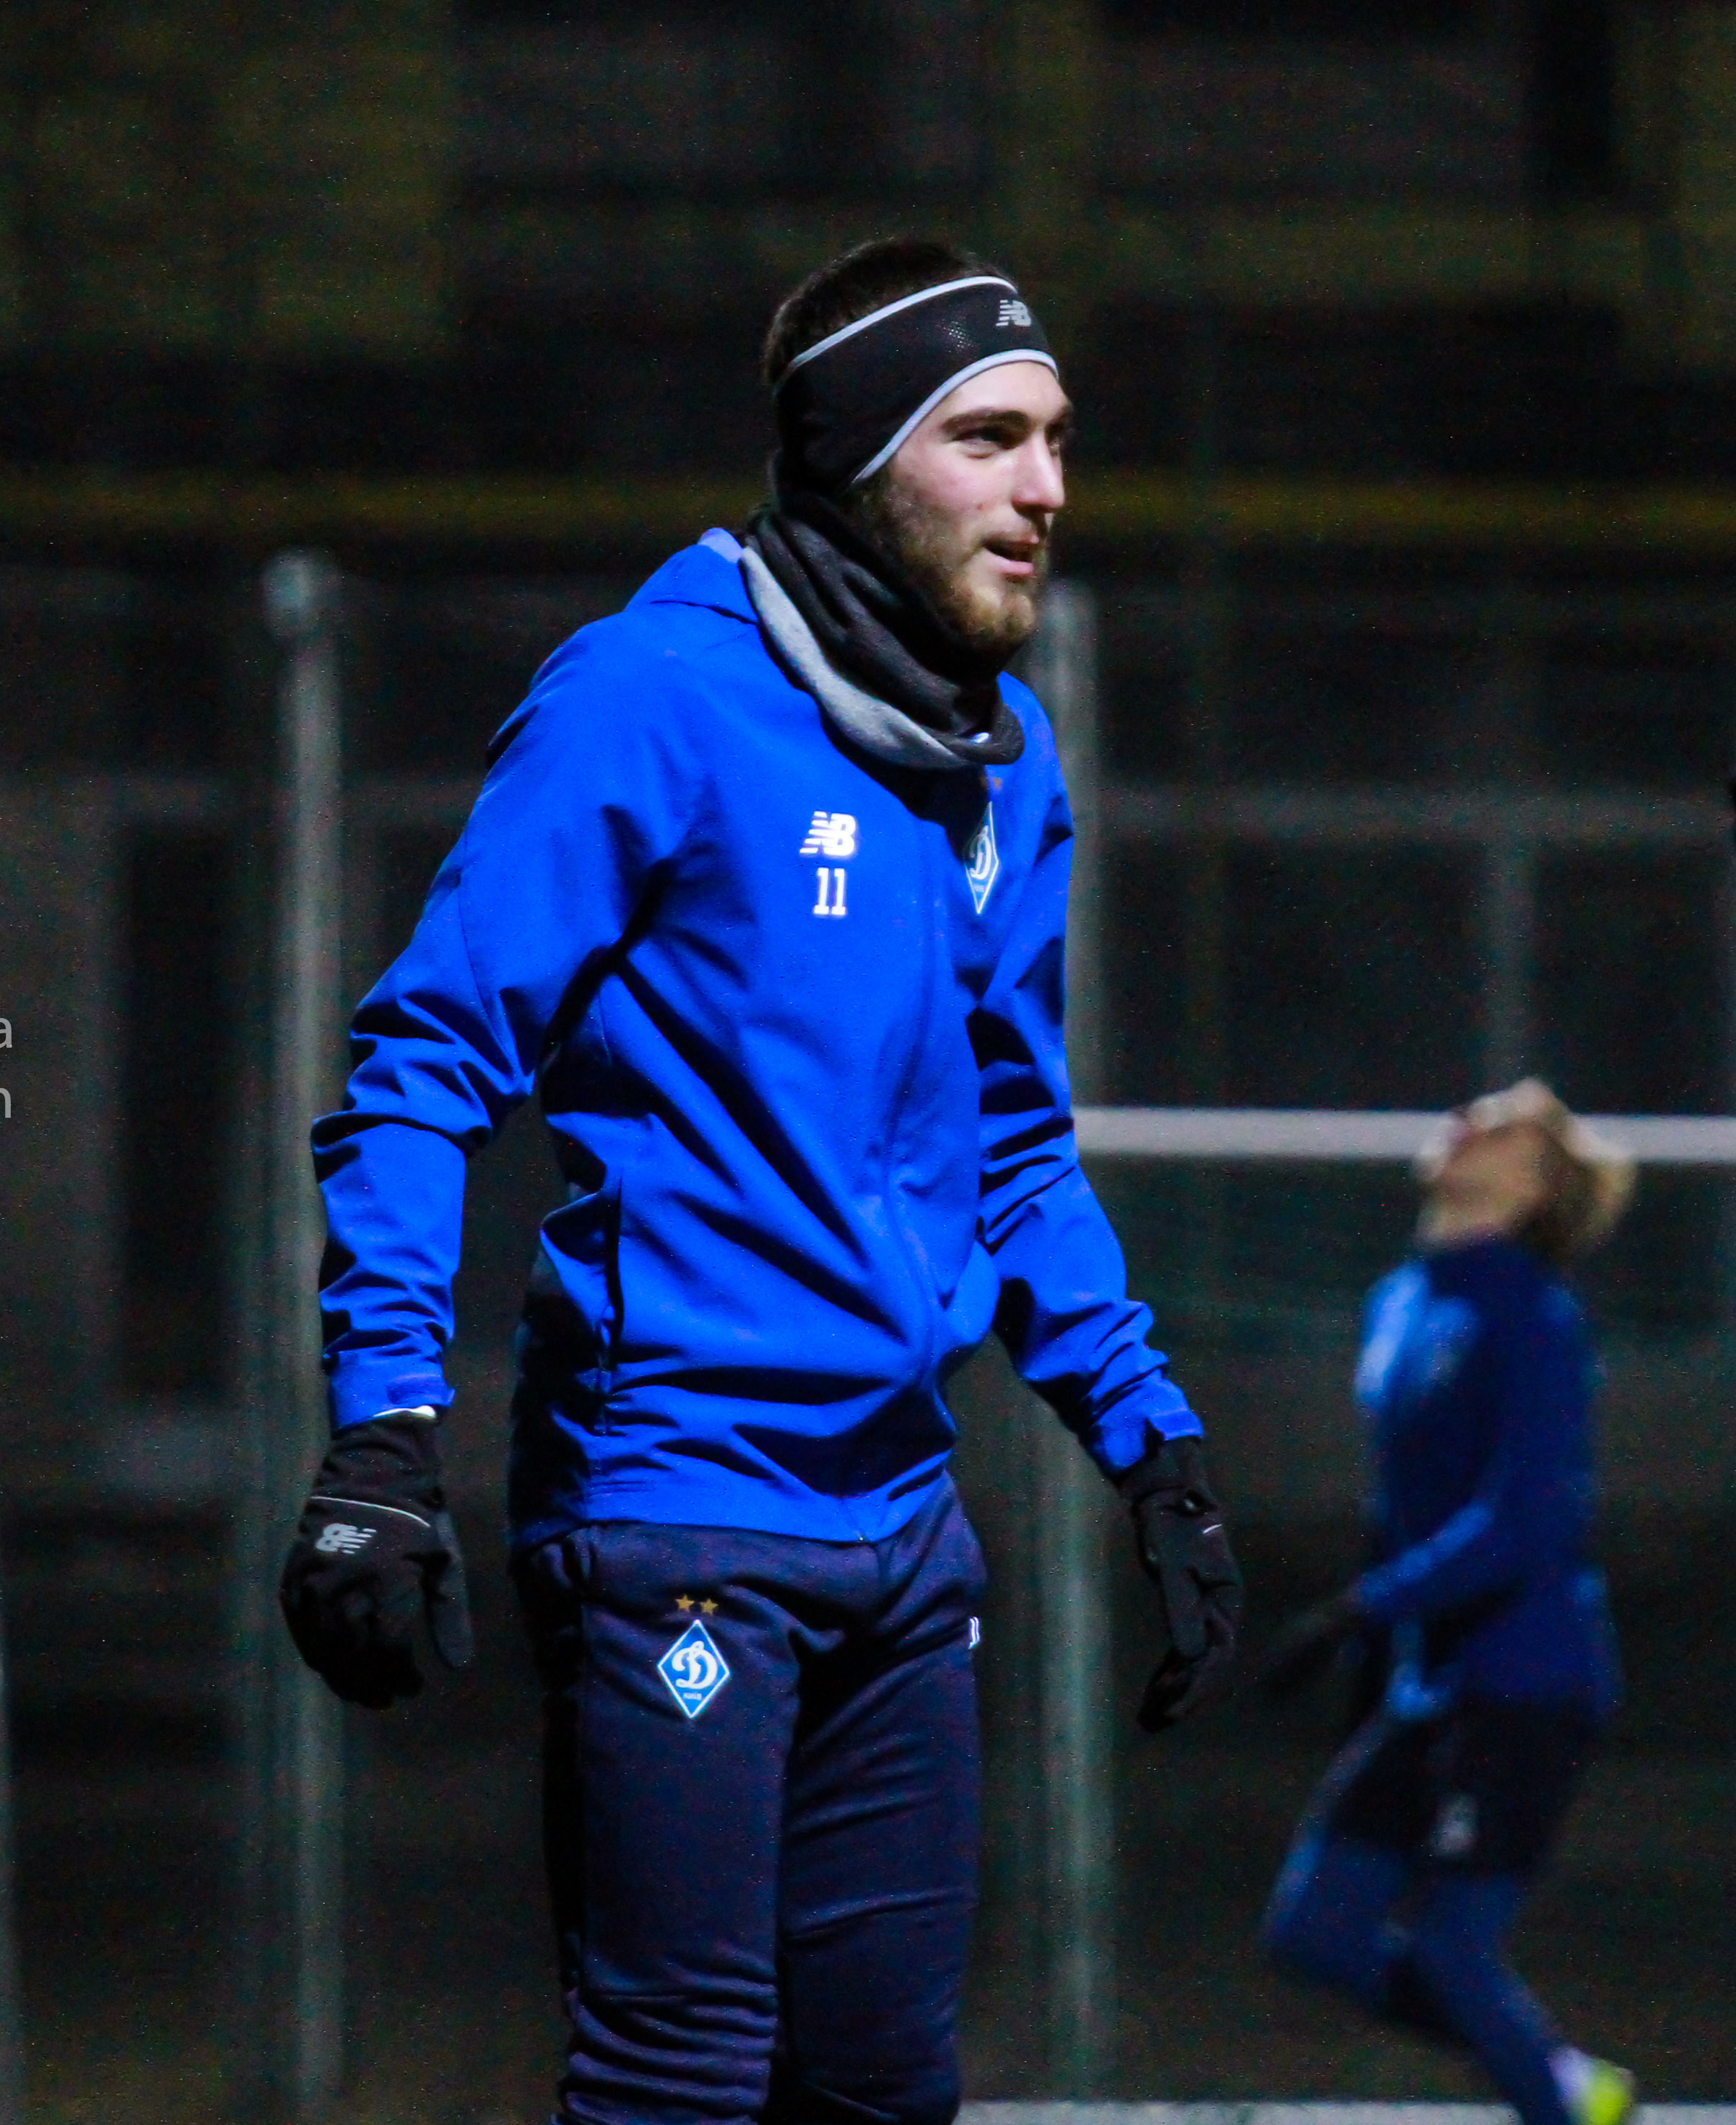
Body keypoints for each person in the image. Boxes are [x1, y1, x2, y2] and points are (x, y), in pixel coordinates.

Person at [274, 236, 1245, 2125]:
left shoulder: (1001, 757)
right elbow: (418, 1066)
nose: (1046, 485)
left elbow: (1010, 1139)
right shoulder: (651, 694)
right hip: (674, 1514)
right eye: (986, 437)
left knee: (882, 2089)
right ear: (855, 452)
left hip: (903, 1531)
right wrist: (382, 1437)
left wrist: (1155, 1447)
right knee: (682, 2081)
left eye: (1056, 437)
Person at [1257, 1082, 1639, 2125]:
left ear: (1536, 1189)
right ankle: (1562, 2080)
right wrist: (1372, 1654)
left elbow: (1521, 1525)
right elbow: (1403, 1504)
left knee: (1452, 1944)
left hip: (1524, 1681)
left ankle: (1561, 2102)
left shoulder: (1533, 1318)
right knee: (1315, 1932)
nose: (1470, 1123)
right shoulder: (1400, 1301)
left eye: (1504, 1127)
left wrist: (1356, 1610)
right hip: (1426, 1685)